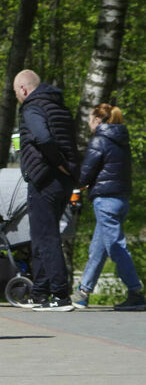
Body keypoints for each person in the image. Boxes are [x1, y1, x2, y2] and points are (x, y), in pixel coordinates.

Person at [13, 69, 79, 312]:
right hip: (63, 180)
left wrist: (57, 161)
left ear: (23, 89)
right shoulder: (59, 106)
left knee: (46, 237)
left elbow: (42, 137)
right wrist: (68, 167)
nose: (17, 97)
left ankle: (60, 295)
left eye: (16, 92)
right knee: (42, 235)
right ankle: (40, 292)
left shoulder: (32, 108)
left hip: (44, 178)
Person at [71, 104, 146, 311]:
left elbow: (86, 173)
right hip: (121, 199)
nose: (88, 123)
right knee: (99, 247)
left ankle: (136, 293)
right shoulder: (122, 139)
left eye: (89, 119)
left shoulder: (99, 140)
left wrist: (73, 184)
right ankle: (83, 293)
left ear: (98, 120)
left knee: (115, 247)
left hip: (105, 200)